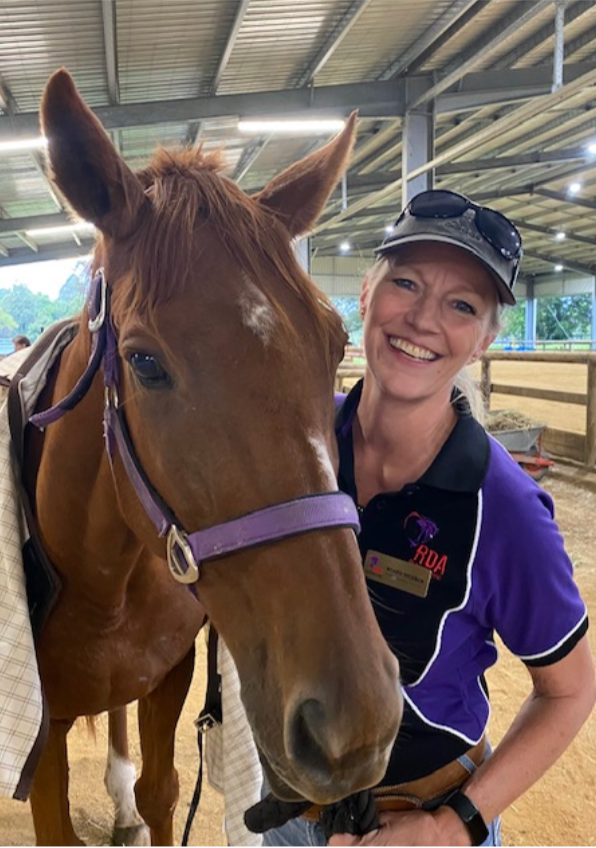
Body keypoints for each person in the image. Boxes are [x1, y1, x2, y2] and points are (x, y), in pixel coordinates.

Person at [255, 189, 595, 847]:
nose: (421, 319)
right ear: (365, 293)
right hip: (292, 817)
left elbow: (571, 692)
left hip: (422, 818)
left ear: (483, 341)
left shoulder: (504, 508)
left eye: (462, 305)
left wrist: (452, 825)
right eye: (405, 282)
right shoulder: (292, 446)